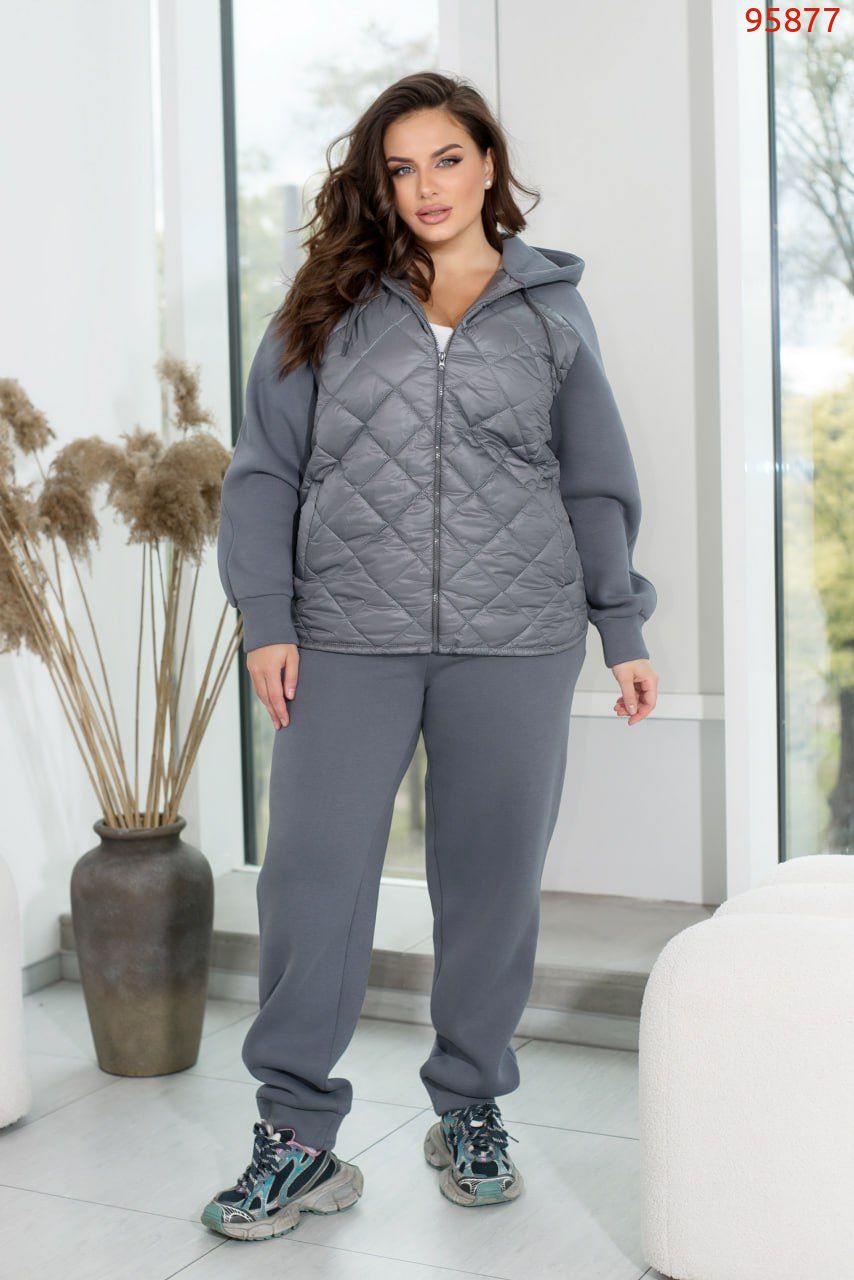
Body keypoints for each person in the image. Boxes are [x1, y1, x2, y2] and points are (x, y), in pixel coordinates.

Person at [201, 70, 659, 1241]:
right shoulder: (327, 301)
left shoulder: (551, 308)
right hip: (344, 633)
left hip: (516, 637)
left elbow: (592, 480)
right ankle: (297, 1135)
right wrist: (266, 616)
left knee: (491, 883)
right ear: (379, 182)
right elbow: (264, 470)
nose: (425, 186)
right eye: (400, 167)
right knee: (310, 877)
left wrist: (619, 626)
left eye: (446, 158)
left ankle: (468, 1106)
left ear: (486, 162)